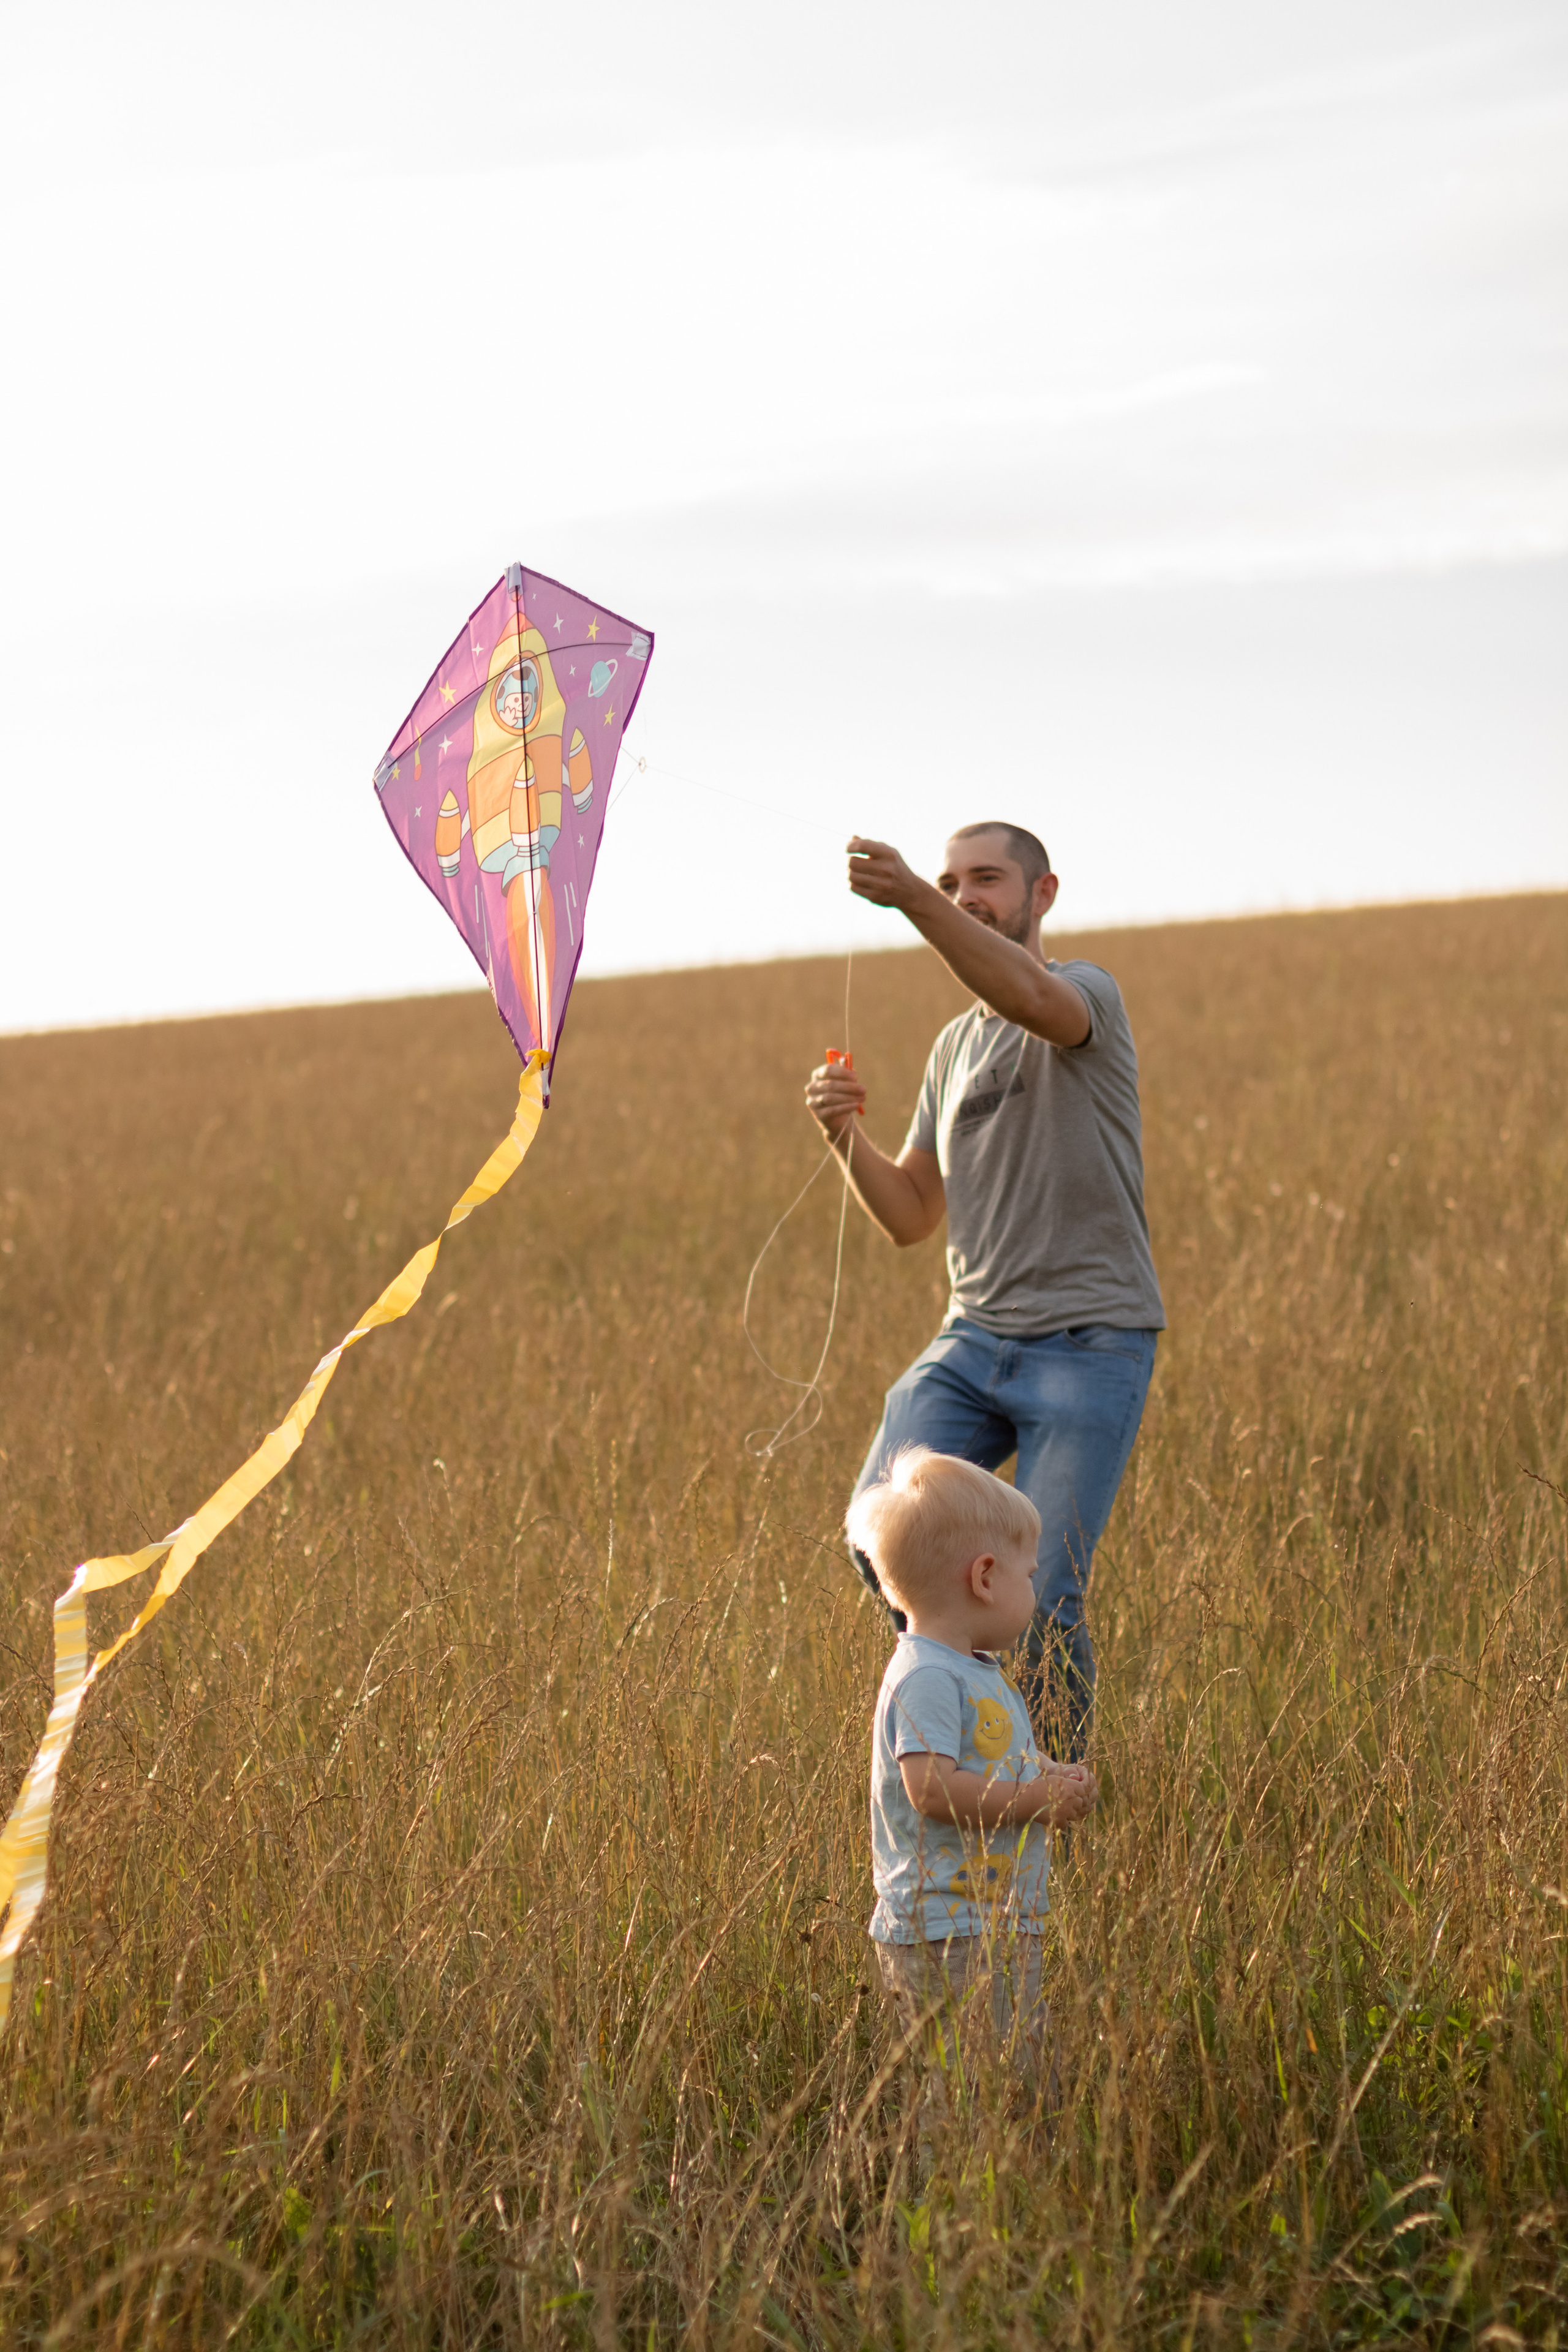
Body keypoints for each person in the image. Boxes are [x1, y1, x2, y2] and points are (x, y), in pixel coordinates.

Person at [805, 823, 1164, 1752]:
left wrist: (915, 903)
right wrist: (848, 1139)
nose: (965, 894)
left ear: (1043, 895)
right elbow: (913, 1214)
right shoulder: (950, 1049)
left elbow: (1028, 993)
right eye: (949, 880)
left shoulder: (1085, 995)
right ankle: (977, 1731)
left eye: (987, 881)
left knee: (1044, 1605)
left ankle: (1052, 1805)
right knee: (875, 1540)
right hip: (971, 1346)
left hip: (1091, 1345)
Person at [848, 1447, 1097, 2137]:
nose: (1034, 1589)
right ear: (984, 1578)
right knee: (970, 2095)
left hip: (989, 1918)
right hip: (946, 1929)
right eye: (1027, 1573)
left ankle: (997, 2203)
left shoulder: (972, 1669)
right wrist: (1034, 1803)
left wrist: (1050, 1774)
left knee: (1009, 2078)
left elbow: (999, 1755)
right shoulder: (925, 1676)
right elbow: (930, 1788)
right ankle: (957, 2213)